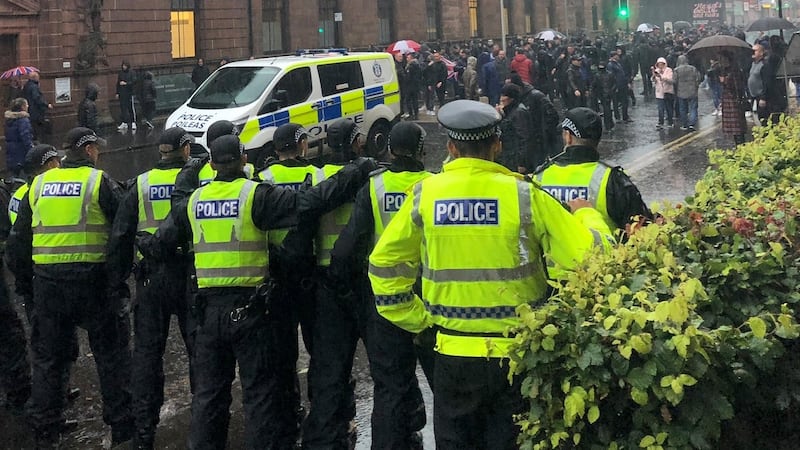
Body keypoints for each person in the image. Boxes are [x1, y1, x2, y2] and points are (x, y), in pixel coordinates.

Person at [368, 99, 614, 450]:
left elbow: (383, 267)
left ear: (452, 148)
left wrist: (418, 320)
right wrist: (588, 215)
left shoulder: (425, 195)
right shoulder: (525, 196)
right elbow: (594, 259)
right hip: (516, 354)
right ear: (497, 144)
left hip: (451, 353)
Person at [135, 133, 377, 450]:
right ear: (244, 160)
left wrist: (143, 243)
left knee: (209, 396)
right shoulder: (256, 197)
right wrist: (356, 171)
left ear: (211, 164)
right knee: (259, 394)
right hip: (250, 312)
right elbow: (311, 202)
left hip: (207, 315)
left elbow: (161, 242)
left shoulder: (194, 201)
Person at [6, 127, 134, 448]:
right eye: (96, 148)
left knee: (50, 359)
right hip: (94, 284)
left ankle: (45, 427)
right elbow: (123, 233)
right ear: (89, 150)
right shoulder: (98, 182)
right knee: (111, 357)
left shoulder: (38, 185)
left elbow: (18, 244)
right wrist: (117, 278)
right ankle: (122, 427)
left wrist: (28, 285)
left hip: (49, 286)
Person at [327, 121, 432, 449]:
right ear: (420, 150)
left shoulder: (374, 187)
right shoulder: (436, 187)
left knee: (389, 386)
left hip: (384, 300)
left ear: (389, 149)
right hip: (431, 298)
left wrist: (349, 291)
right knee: (447, 388)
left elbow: (345, 249)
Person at [107, 127, 196, 449]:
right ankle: (205, 423)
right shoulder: (196, 181)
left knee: (147, 356)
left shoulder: (141, 183)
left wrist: (116, 282)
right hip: (189, 275)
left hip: (151, 279)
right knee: (199, 353)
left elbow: (120, 236)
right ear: (185, 149)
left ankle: (144, 433)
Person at [301, 118, 370, 449]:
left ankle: (329, 434)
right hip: (365, 282)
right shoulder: (370, 177)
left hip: (325, 282)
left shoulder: (313, 177)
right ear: (356, 143)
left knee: (329, 366)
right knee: (385, 366)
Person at [256, 123, 323, 446]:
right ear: (301, 144)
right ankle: (322, 411)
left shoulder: (263, 180)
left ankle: (288, 413)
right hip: (310, 270)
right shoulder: (319, 176)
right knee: (319, 346)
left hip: (277, 273)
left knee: (282, 350)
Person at [534, 107, 652, 235]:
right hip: (600, 253)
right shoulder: (613, 179)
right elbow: (640, 228)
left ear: (568, 137)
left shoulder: (540, 177)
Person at [509, 72, 562, 167]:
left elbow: (553, 115)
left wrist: (545, 132)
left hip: (540, 139)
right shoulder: (518, 98)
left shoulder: (536, 96)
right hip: (530, 139)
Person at [496, 83, 533, 174]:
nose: (501, 98)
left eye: (504, 95)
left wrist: (522, 162)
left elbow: (524, 138)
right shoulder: (510, 111)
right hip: (509, 155)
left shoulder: (519, 113)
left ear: (512, 98)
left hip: (515, 158)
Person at [749, 43, 787, 126]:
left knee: (766, 118)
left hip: (764, 97)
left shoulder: (765, 65)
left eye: (755, 51)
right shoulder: (753, 64)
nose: (752, 53)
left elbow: (767, 82)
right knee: (761, 118)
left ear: (761, 53)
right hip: (756, 96)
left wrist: (763, 97)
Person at [719, 52, 748, 146]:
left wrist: (725, 81)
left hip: (733, 99)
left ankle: (741, 145)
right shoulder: (725, 70)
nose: (721, 61)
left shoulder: (734, 70)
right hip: (728, 99)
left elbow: (737, 85)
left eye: (722, 59)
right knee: (735, 128)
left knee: (738, 126)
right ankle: (738, 144)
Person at [4, 97, 33, 178]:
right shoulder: (23, 120)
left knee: (13, 173)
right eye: (26, 104)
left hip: (10, 150)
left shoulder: (9, 119)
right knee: (24, 175)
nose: (28, 106)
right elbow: (25, 136)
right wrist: (31, 149)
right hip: (21, 150)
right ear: (23, 107)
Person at [673, 55, 701, 131]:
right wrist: (696, 86)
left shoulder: (676, 70)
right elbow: (698, 78)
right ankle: (692, 124)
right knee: (693, 108)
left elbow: (674, 81)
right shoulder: (692, 68)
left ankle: (685, 124)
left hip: (681, 92)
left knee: (682, 109)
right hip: (692, 91)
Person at [22, 71, 52, 142]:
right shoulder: (34, 87)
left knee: (33, 129)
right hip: (36, 112)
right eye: (38, 77)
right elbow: (37, 98)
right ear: (35, 78)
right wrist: (46, 104)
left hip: (29, 110)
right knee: (39, 130)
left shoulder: (26, 86)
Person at [591, 61, 616, 132]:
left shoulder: (610, 74)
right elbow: (593, 85)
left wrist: (611, 91)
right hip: (602, 94)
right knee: (607, 110)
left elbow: (614, 83)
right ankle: (608, 125)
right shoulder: (597, 75)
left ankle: (609, 125)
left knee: (607, 110)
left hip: (608, 94)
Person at [608, 51, 631, 123]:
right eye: (616, 55)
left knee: (625, 101)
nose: (618, 56)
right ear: (613, 56)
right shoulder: (610, 65)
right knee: (616, 102)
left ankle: (625, 116)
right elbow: (611, 76)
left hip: (623, 84)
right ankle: (617, 117)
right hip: (617, 86)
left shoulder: (618, 63)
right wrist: (615, 86)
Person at [652, 57, 675, 129]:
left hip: (667, 92)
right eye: (659, 64)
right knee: (660, 109)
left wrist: (661, 76)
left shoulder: (669, 70)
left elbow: (670, 80)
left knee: (669, 108)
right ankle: (660, 122)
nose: (660, 66)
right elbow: (653, 81)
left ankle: (670, 122)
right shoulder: (656, 71)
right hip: (659, 93)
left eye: (662, 64)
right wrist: (654, 75)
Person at [116, 60, 137, 131]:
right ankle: (124, 123)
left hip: (129, 93)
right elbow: (118, 83)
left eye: (125, 65)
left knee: (131, 108)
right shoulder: (121, 73)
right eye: (123, 65)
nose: (123, 67)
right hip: (122, 93)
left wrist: (126, 83)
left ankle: (133, 122)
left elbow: (134, 81)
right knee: (123, 108)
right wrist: (117, 93)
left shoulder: (132, 73)